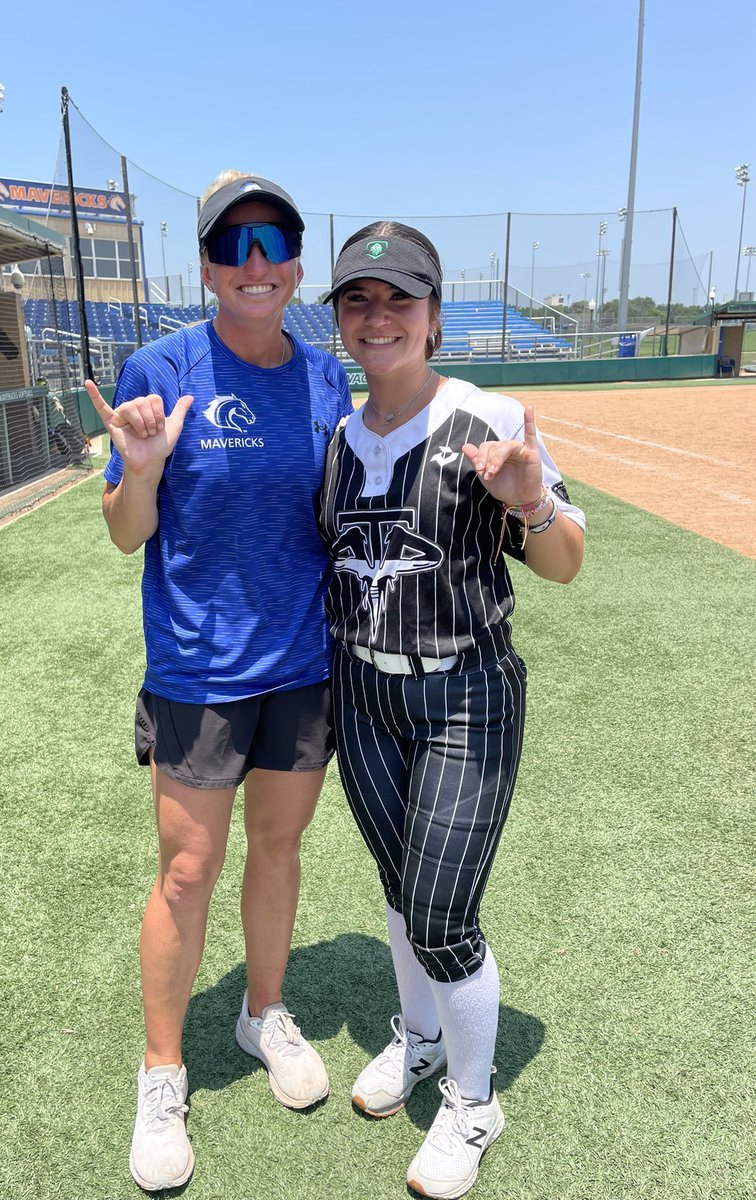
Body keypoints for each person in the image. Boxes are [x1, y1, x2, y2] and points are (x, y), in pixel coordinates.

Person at [84, 172, 352, 1192]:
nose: (251, 263)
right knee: (188, 873)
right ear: (204, 266)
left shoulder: (327, 377)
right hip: (198, 673)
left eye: (271, 242)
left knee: (279, 848)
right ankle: (162, 1074)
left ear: (293, 265)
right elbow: (124, 536)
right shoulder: (162, 365)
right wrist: (142, 468)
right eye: (230, 244)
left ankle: (261, 1014)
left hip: (302, 665)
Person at [318, 222, 585, 1199]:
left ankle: (476, 1099)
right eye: (359, 299)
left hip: (465, 694)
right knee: (399, 892)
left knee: (440, 910)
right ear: (341, 318)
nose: (378, 316)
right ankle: (421, 1038)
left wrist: (529, 502)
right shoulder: (339, 437)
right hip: (363, 692)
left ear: (433, 315)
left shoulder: (489, 418)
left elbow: (564, 562)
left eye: (399, 299)